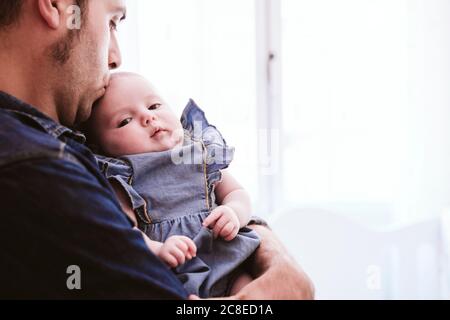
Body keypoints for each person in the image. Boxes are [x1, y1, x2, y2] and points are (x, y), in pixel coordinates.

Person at [0, 0, 314, 299]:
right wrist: (283, 278)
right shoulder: (39, 172)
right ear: (55, 6)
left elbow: (224, 198)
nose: (115, 57)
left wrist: (271, 257)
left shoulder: (50, 152)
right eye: (111, 21)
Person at [84, 72, 261, 298]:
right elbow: (125, 232)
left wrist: (233, 212)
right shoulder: (121, 176)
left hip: (225, 257)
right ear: (101, 147)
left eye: (154, 105)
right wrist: (157, 249)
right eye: (125, 121)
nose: (148, 117)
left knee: (249, 289)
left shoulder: (200, 152)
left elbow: (237, 193)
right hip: (173, 270)